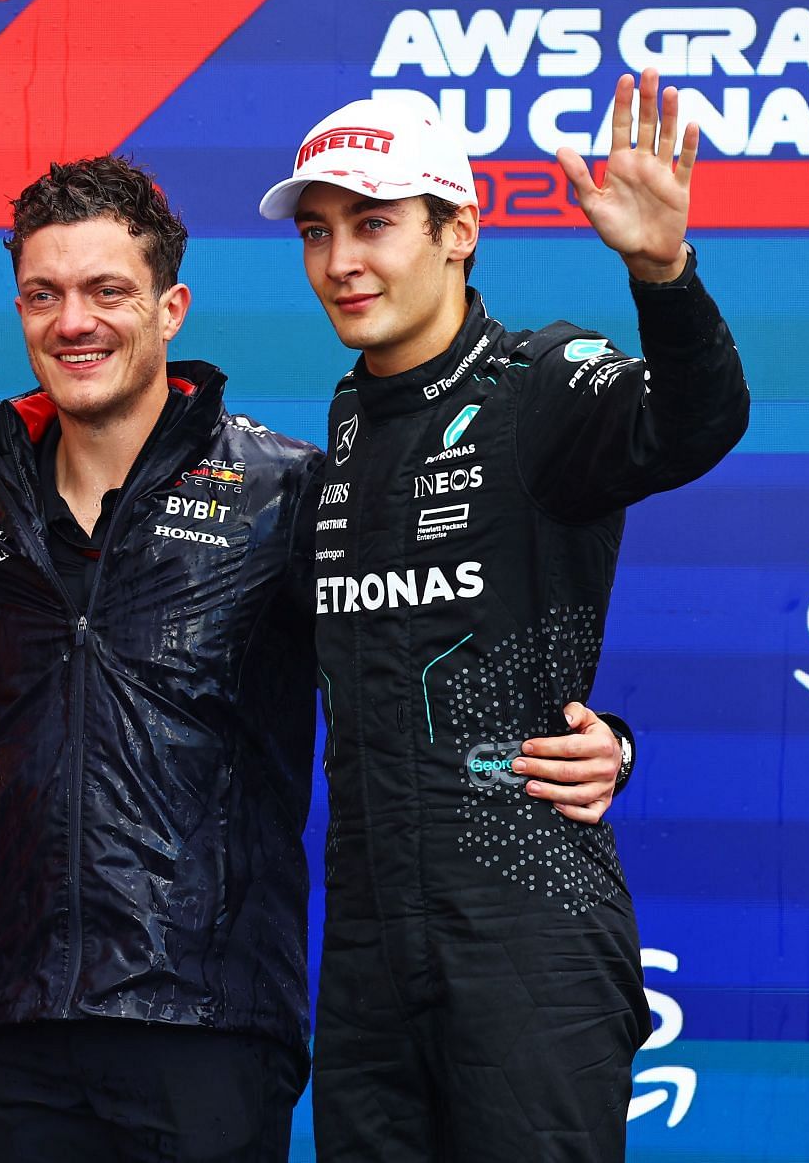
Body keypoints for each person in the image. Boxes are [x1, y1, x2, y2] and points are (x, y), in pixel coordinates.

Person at [0, 155, 636, 1162]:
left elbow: (421, 653)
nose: (72, 321)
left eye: (106, 291)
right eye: (44, 294)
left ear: (171, 309)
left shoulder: (286, 493)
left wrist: (610, 741)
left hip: (211, 1020)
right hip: (15, 1018)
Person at [259, 72, 748, 1160]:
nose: (342, 261)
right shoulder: (336, 438)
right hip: (370, 953)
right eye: (321, 231)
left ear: (458, 232)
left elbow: (697, 423)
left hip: (526, 926)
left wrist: (663, 275)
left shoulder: (540, 382)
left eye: (376, 224)